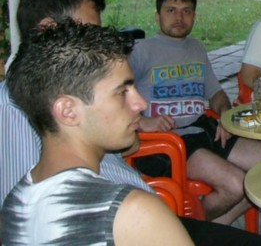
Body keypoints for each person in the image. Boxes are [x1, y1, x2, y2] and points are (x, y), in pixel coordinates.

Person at [0, 0, 261, 246]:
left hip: (150, 193)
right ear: (49, 30)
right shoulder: (18, 109)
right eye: (89, 33)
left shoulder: (73, 105)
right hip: (133, 216)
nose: (140, 103)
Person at [2, 22, 193, 245]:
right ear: (68, 111)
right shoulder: (132, 214)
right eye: (122, 91)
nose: (140, 103)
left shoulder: (16, 203)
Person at [129, 0, 261, 225]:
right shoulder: (141, 50)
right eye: (171, 10)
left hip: (203, 130)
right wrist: (141, 121)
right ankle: (187, 232)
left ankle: (210, 232)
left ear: (194, 17)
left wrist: (225, 115)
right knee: (237, 184)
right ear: (157, 16)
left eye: (186, 11)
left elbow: (216, 93)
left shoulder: (196, 47)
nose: (179, 18)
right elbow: (113, 91)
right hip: (166, 142)